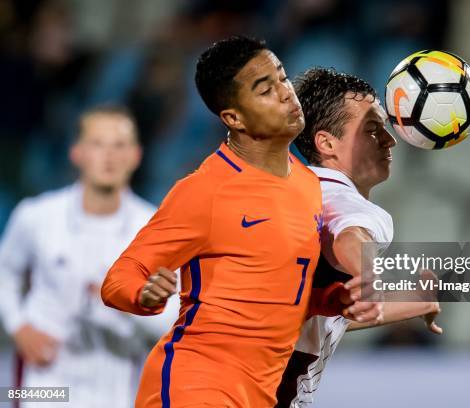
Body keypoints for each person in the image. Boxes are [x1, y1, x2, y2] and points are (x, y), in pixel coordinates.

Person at [101, 36, 380, 408]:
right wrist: (144, 294)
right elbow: (119, 278)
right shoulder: (206, 192)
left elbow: (280, 291)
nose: (285, 94)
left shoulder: (306, 184)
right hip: (195, 386)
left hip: (258, 394)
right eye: (266, 90)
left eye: (283, 78)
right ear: (234, 118)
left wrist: (334, 300)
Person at [276, 68, 443, 407]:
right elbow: (349, 235)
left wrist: (415, 300)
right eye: (372, 130)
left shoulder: (295, 192)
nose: (390, 139)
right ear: (326, 143)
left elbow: (319, 316)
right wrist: (368, 272)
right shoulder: (347, 202)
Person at [0, 105, 178, 407]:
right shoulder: (36, 215)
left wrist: (127, 301)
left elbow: (173, 320)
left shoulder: (155, 229)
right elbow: (5, 273)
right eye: (97, 144)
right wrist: (18, 326)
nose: (109, 156)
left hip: (117, 386)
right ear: (77, 153)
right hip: (45, 384)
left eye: (119, 145)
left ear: (136, 155)